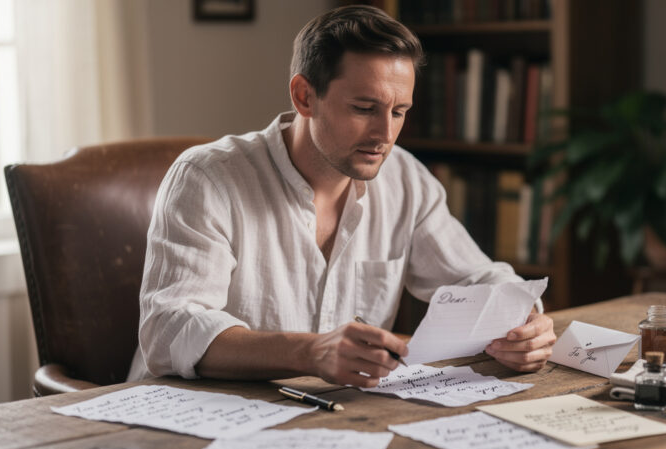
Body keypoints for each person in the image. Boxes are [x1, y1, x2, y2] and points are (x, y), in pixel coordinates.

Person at [128, 5, 555, 387]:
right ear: (304, 96)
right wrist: (309, 352)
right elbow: (169, 330)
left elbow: (478, 279)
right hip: (188, 421)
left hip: (331, 420)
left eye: (399, 112)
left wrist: (526, 320)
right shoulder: (206, 179)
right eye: (364, 109)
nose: (384, 135)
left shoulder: (405, 178)